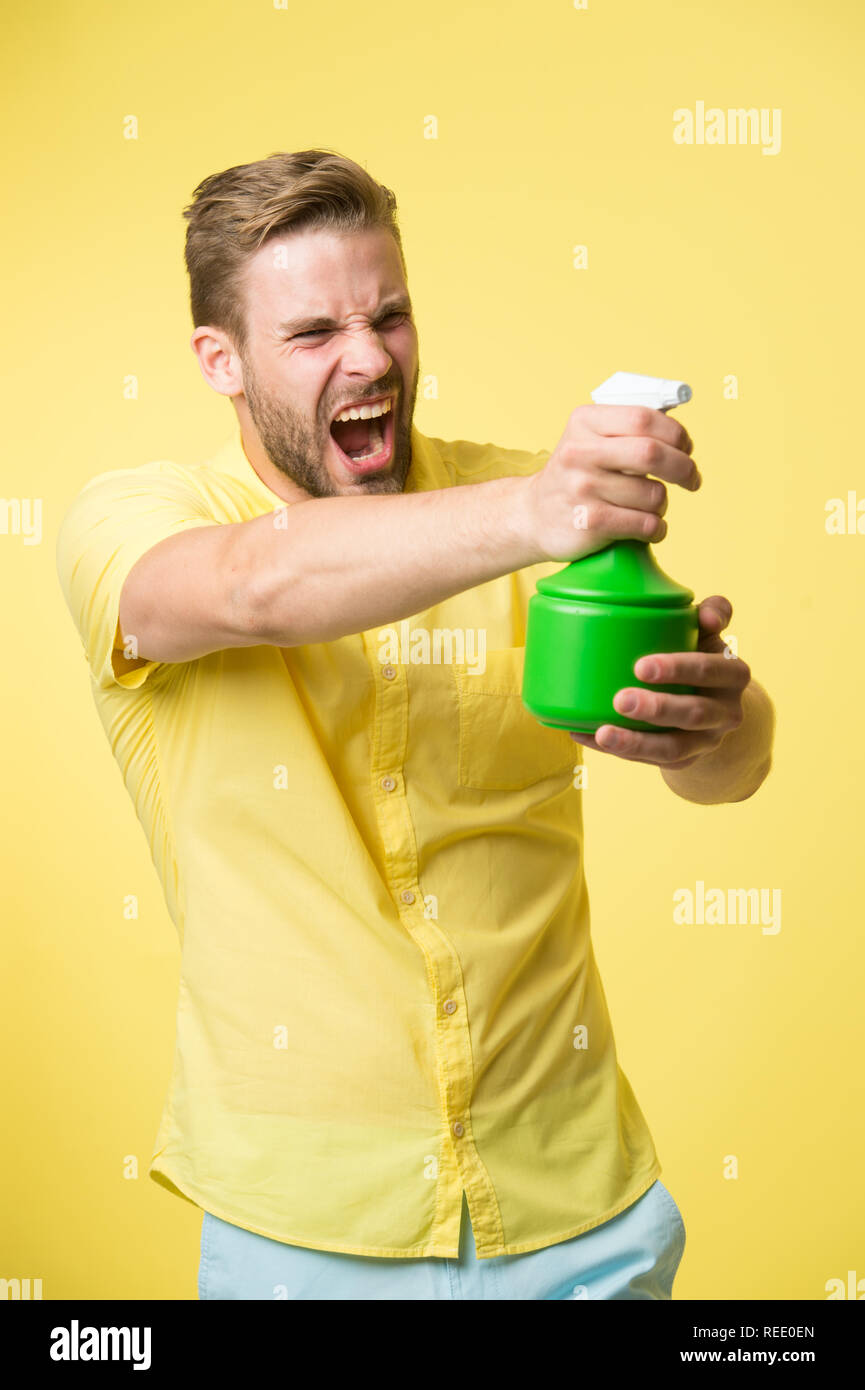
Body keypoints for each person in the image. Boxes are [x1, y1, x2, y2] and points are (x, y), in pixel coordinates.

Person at [56, 148, 775, 1300]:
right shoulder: (135, 520)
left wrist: (713, 729)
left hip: (580, 1212)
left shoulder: (534, 516)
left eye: (389, 314)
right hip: (306, 1233)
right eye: (312, 335)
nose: (371, 356)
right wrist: (535, 510)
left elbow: (732, 770)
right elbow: (249, 587)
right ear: (219, 359)